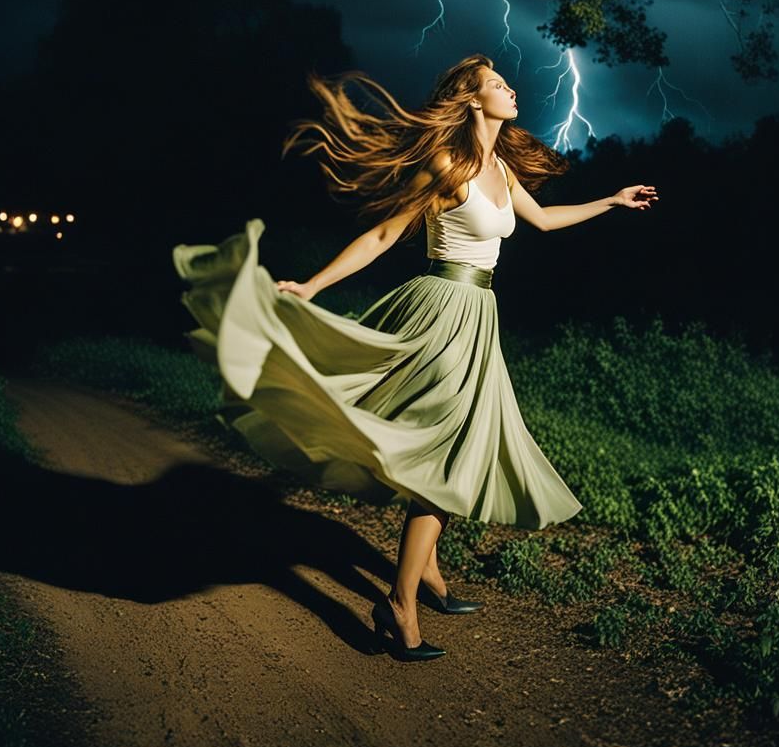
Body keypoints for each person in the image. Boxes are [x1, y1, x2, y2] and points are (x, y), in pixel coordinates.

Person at [171, 52, 658, 662]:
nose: (511, 91)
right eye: (497, 85)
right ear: (474, 100)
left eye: (507, 83)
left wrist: (611, 201)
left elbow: (545, 221)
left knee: (462, 446)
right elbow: (382, 234)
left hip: (481, 317)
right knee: (450, 455)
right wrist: (314, 286)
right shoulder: (446, 163)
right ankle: (400, 604)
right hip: (441, 309)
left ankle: (426, 576)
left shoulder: (502, 168)